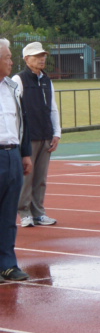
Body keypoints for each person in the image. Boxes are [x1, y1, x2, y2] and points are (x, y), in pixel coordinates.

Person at [12, 42, 61, 228]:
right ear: (26, 59)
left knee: (41, 178)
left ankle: (38, 212)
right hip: (27, 137)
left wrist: (56, 132)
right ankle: (24, 212)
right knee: (27, 177)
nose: (42, 59)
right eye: (37, 56)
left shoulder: (47, 80)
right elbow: (16, 111)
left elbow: (53, 108)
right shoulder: (19, 80)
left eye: (43, 55)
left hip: (45, 134)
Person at [0, 38, 33, 282]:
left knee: (9, 215)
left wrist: (24, 153)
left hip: (12, 155)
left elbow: (22, 122)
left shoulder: (12, 87)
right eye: (7, 57)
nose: (12, 61)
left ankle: (8, 265)